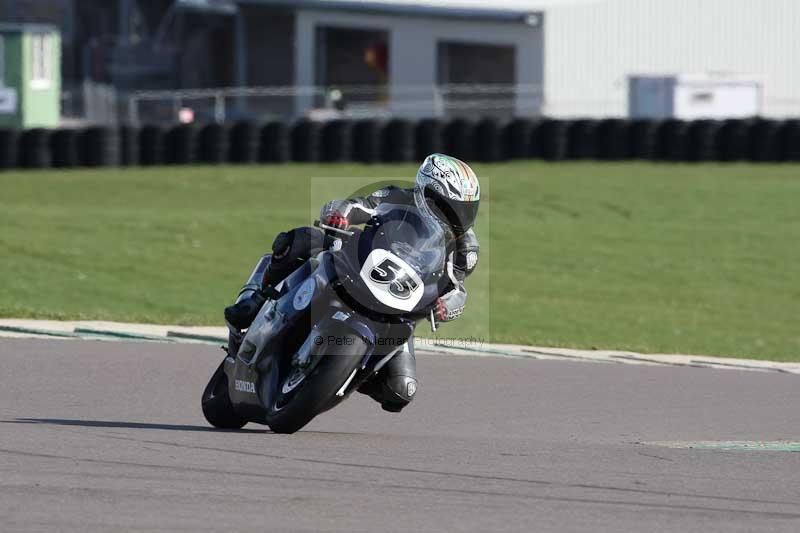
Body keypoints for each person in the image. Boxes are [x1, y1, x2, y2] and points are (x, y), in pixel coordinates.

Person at [224, 153, 480, 412]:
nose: (458, 216)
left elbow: (456, 288)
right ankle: (254, 297)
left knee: (401, 390)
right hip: (358, 263)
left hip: (401, 305)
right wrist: (341, 215)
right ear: (426, 193)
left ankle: (346, 370)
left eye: (466, 209)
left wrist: (446, 304)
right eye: (449, 206)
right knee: (301, 240)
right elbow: (360, 205)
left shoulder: (466, 250)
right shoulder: (397, 196)